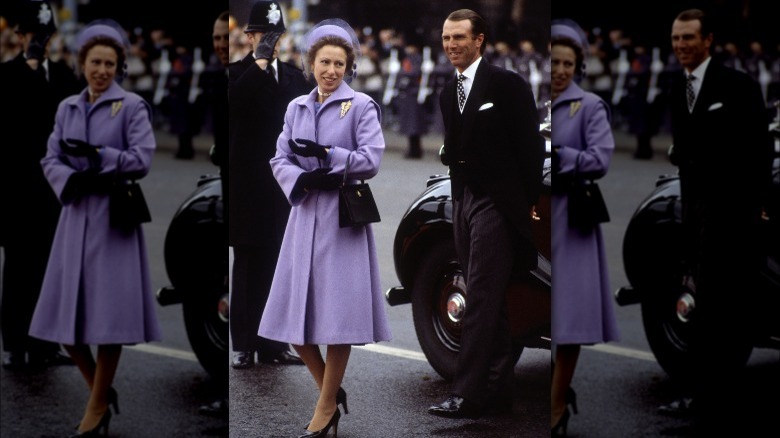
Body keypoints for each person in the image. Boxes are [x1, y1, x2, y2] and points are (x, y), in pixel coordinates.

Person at [258, 18, 392, 437]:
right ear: (310, 64)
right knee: (293, 322)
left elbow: (371, 159)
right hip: (303, 215)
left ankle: (324, 406)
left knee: (337, 320)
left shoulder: (362, 105)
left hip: (341, 219)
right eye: (323, 62)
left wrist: (329, 156)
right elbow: (279, 158)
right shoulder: (296, 107)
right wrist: (302, 178)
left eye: (338, 63)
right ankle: (330, 396)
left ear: (348, 66)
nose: (331, 70)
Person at [26, 20, 161, 436]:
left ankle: (96, 406)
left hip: (112, 217)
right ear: (82, 64)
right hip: (74, 214)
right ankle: (100, 394)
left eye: (109, 63)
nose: (101, 69)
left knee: (108, 320)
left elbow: (142, 158)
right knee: (65, 321)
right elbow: (49, 158)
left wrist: (101, 156)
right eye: (94, 62)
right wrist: (71, 179)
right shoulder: (67, 107)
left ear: (118, 66)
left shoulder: (132, 106)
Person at [657, 9, 772, 434]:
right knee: (702, 303)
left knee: (727, 307)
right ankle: (704, 393)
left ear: (708, 41)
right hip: (696, 213)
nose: (682, 46)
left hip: (734, 215)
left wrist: (757, 207)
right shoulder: (677, 87)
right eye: (676, 39)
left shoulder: (736, 85)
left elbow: (759, 149)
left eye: (689, 38)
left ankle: (714, 395)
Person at [427, 9, 545, 420]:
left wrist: (526, 201)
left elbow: (530, 147)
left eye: (459, 37)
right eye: (445, 38)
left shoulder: (507, 84)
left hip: (499, 203)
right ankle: (498, 389)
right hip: (464, 201)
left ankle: (468, 393)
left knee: (478, 294)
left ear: (479, 40)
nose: (451, 45)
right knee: (489, 301)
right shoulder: (447, 92)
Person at [227, 0, 309, 369]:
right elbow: (235, 104)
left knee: (279, 263)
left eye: (276, 36)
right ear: (249, 36)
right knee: (248, 264)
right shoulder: (236, 73)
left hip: (282, 185)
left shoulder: (293, 76)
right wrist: (259, 63)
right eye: (264, 34)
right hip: (248, 183)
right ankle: (244, 344)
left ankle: (273, 344)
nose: (270, 42)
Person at [0, 0, 81, 372]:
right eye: (33, 34)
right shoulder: (6, 76)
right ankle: (15, 344)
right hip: (17, 190)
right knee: (19, 268)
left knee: (51, 269)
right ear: (19, 35)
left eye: (44, 35)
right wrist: (30, 70)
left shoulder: (64, 75)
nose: (39, 42)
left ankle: (44, 344)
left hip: (54, 190)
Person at [548, 19, 620, 437]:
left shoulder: (588, 105)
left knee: (569, 318)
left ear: (578, 67)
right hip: (539, 211)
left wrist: (564, 156)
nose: (560, 70)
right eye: (555, 62)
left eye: (567, 64)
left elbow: (602, 159)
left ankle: (557, 401)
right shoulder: (541, 101)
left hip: (573, 218)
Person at [197, 10, 230, 420]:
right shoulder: (217, 79)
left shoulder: (235, 78)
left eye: (225, 38)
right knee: (224, 293)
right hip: (228, 194)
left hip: (242, 197)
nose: (220, 44)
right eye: (215, 38)